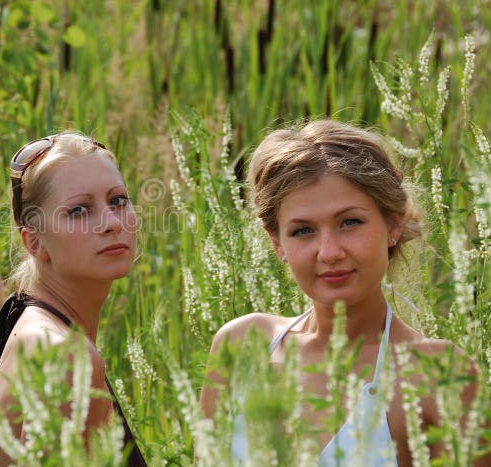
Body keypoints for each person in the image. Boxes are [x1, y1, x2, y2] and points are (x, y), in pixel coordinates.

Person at [199, 120, 489, 466]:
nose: (329, 251)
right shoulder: (242, 344)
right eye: (303, 230)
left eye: (349, 222)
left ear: (393, 224)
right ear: (276, 242)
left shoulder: (436, 372)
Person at [0, 132, 147, 466]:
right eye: (79, 210)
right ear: (34, 243)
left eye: (118, 200)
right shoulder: (66, 357)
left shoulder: (17, 318)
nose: (112, 223)